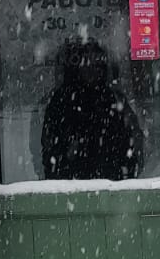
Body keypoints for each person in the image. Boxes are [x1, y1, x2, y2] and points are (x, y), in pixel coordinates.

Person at [40, 37, 144, 182]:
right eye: (87, 62)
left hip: (111, 184)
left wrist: (125, 174)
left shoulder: (113, 98)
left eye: (96, 63)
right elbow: (49, 145)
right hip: (70, 186)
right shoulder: (62, 99)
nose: (91, 68)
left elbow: (131, 139)